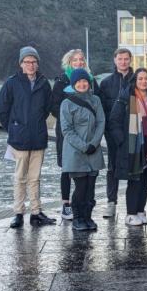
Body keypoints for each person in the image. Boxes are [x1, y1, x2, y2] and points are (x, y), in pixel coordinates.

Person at [0, 46, 56, 228]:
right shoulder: (12, 83)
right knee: (20, 177)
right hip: (19, 139)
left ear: (37, 64)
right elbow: (3, 109)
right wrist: (13, 128)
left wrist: (36, 124)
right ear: (21, 63)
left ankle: (36, 213)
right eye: (27, 61)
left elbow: (47, 108)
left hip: (38, 137)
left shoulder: (44, 83)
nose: (30, 65)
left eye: (33, 61)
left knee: (35, 177)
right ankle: (18, 213)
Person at [109, 68, 147, 226]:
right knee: (135, 181)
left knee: (146, 181)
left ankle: (140, 211)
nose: (143, 81)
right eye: (140, 79)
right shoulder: (126, 97)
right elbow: (114, 121)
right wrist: (122, 141)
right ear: (135, 80)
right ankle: (130, 213)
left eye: (146, 78)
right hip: (133, 147)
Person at [51, 49, 101, 221]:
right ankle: (66, 204)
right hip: (69, 133)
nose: (79, 62)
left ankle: (85, 206)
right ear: (69, 62)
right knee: (67, 167)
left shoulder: (91, 80)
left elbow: (97, 102)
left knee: (88, 171)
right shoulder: (61, 81)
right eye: (75, 60)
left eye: (81, 60)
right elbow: (55, 107)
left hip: (89, 133)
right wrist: (73, 121)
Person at [59, 69, 106, 231]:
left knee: (91, 188)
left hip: (94, 150)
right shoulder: (66, 103)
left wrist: (94, 143)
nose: (82, 84)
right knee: (80, 187)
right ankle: (78, 218)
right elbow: (67, 130)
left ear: (89, 82)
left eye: (84, 81)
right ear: (73, 84)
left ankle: (88, 217)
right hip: (75, 152)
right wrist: (84, 146)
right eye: (78, 82)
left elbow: (101, 122)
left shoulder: (96, 100)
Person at [99, 48, 134, 218]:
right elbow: (102, 109)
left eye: (126, 59)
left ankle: (134, 205)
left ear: (130, 60)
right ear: (115, 60)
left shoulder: (137, 80)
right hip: (113, 132)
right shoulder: (106, 83)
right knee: (113, 167)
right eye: (120, 59)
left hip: (135, 132)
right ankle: (111, 202)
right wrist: (108, 130)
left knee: (135, 167)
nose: (123, 62)